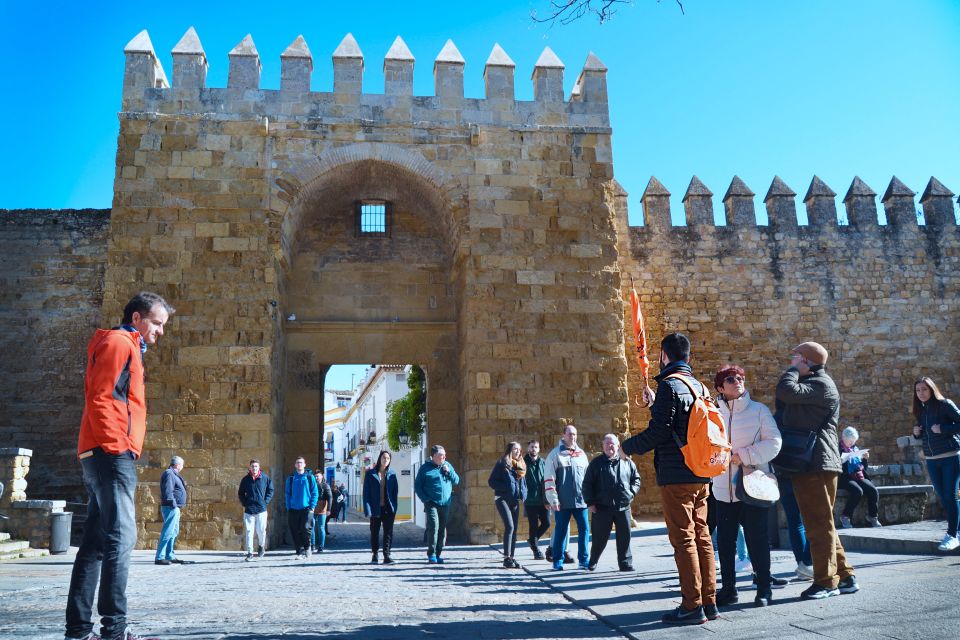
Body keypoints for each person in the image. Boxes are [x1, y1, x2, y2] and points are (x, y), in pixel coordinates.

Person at [65, 291, 173, 640]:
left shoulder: (125, 345)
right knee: (121, 538)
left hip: (103, 451)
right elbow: (102, 397)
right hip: (110, 453)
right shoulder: (119, 342)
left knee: (96, 543)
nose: (159, 331)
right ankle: (114, 631)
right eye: (156, 323)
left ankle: (79, 632)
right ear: (138, 318)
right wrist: (119, 449)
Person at [620, 332, 717, 625]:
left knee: (683, 539)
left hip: (677, 475)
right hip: (702, 472)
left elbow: (660, 432)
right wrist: (655, 405)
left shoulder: (669, 386)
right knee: (702, 537)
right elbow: (681, 423)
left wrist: (627, 448)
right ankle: (708, 601)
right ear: (688, 357)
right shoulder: (698, 386)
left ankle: (691, 605)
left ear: (664, 355)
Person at [776, 341, 858, 599]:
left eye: (796, 357)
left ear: (807, 361)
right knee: (824, 522)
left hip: (815, 463)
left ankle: (825, 582)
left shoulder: (821, 384)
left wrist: (792, 370)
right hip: (811, 462)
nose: (791, 361)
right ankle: (845, 576)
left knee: (817, 524)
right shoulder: (813, 384)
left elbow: (785, 391)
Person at [711, 365, 781, 607]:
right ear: (720, 387)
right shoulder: (712, 413)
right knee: (726, 542)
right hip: (722, 488)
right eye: (731, 379)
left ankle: (764, 589)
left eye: (740, 377)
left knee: (757, 539)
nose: (737, 381)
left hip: (752, 486)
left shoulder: (759, 410)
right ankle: (728, 589)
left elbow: (774, 443)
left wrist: (745, 455)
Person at [912, 376, 960, 551]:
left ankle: (952, 535)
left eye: (924, 389)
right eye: (918, 390)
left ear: (932, 389)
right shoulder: (921, 410)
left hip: (950, 457)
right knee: (945, 497)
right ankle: (957, 530)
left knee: (951, 496)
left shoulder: (945, 404)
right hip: (932, 460)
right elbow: (925, 433)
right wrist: (917, 433)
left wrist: (943, 429)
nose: (921, 393)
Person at [582, 434, 641, 572]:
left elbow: (636, 480)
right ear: (603, 446)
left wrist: (631, 493)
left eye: (612, 443)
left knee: (624, 537)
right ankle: (593, 561)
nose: (610, 446)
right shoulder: (596, 464)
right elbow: (587, 484)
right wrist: (590, 502)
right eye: (607, 444)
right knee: (599, 538)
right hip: (602, 508)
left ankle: (625, 563)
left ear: (618, 445)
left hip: (623, 507)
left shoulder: (627, 462)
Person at [544, 424, 590, 571]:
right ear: (563, 435)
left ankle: (584, 560)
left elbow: (588, 479)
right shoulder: (555, 454)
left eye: (575, 434)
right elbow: (549, 479)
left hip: (581, 501)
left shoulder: (582, 454)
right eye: (570, 434)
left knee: (584, 530)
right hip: (562, 503)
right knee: (561, 531)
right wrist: (553, 500)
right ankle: (557, 560)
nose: (573, 437)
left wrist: (590, 498)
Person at [414, 445, 460, 564]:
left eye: (444, 455)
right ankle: (432, 553)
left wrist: (449, 472)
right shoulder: (425, 468)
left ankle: (438, 553)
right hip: (431, 503)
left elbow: (456, 481)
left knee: (441, 528)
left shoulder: (447, 465)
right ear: (434, 456)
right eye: (441, 455)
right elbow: (418, 486)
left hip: (445, 503)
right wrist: (425, 499)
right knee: (433, 526)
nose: (444, 457)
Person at [488, 441, 528, 569]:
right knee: (509, 526)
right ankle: (506, 558)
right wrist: (506, 488)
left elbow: (524, 484)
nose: (517, 451)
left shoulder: (521, 466)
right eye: (515, 449)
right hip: (502, 498)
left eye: (519, 449)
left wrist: (523, 494)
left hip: (514, 500)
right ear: (509, 450)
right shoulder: (502, 464)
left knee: (514, 529)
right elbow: (491, 481)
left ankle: (512, 557)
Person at [838, 426, 881, 529]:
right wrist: (844, 460)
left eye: (853, 441)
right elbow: (837, 468)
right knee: (857, 491)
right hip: (844, 477)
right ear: (844, 438)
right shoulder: (837, 449)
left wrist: (865, 459)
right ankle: (845, 516)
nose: (852, 443)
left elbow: (863, 468)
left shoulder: (855, 449)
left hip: (858, 475)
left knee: (873, 490)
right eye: (850, 441)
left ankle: (872, 517)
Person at [364, 451, 399, 564]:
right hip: (375, 508)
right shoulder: (370, 474)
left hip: (388, 509)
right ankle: (375, 554)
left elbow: (395, 493)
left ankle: (387, 556)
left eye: (388, 458)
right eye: (384, 457)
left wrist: (394, 507)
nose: (386, 460)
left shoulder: (392, 474)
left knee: (388, 532)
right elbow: (366, 493)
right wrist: (367, 509)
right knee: (374, 532)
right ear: (379, 458)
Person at [238, 459, 274, 561]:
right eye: (253, 466)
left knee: (261, 531)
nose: (254, 468)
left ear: (259, 467)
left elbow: (270, 490)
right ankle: (250, 552)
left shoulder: (265, 478)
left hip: (261, 509)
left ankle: (261, 546)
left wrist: (265, 502)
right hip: (249, 510)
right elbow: (241, 493)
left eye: (256, 466)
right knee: (249, 531)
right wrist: (245, 503)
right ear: (250, 467)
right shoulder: (245, 480)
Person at [155, 456, 188, 566]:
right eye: (182, 465)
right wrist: (173, 504)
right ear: (177, 465)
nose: (182, 467)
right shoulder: (169, 473)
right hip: (171, 507)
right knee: (168, 531)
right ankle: (160, 557)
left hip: (175, 507)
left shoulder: (173, 474)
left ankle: (170, 555)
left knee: (174, 532)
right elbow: (168, 490)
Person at [285, 457, 318, 559]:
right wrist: (288, 507)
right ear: (295, 465)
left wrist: (312, 506)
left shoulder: (309, 477)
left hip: (306, 508)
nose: (299, 464)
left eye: (301, 463)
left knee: (305, 529)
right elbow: (287, 494)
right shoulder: (290, 478)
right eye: (297, 462)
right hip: (293, 509)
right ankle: (299, 552)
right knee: (294, 530)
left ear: (304, 464)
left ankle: (307, 548)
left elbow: (314, 492)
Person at [522, 440, 550, 560]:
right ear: (528, 449)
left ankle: (532, 540)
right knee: (533, 525)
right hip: (530, 500)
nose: (534, 449)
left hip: (543, 499)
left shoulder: (543, 462)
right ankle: (536, 550)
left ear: (539, 449)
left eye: (536, 447)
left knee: (547, 523)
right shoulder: (523, 462)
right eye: (532, 447)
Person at [313, 471, 331, 553]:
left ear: (322, 476)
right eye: (315, 476)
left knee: (321, 527)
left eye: (318, 476)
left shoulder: (325, 485)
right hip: (313, 507)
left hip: (322, 507)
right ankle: (312, 545)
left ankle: (321, 546)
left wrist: (329, 509)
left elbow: (330, 497)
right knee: (311, 526)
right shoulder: (312, 485)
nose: (316, 478)